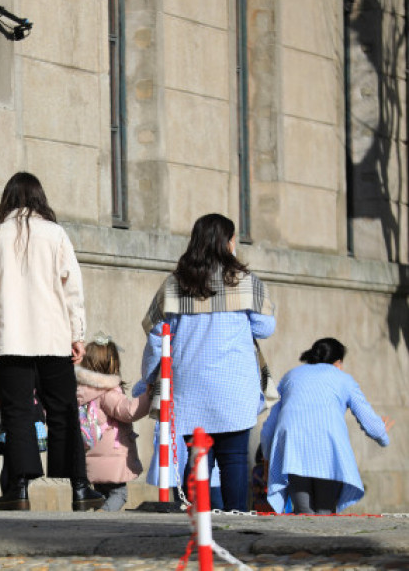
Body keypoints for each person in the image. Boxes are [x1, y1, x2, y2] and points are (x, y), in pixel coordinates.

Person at [0, 171, 104, 511]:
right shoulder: (55, 234)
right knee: (63, 409)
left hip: (9, 337)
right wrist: (78, 333)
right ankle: (76, 485)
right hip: (53, 336)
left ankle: (19, 488)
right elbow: (72, 288)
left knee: (17, 413)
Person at [139, 213, 275, 511]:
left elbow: (157, 335)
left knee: (197, 457)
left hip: (191, 388)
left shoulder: (175, 283)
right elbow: (266, 327)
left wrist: (149, 376)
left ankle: (197, 521)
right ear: (228, 243)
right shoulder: (245, 282)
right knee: (236, 459)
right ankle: (236, 520)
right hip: (234, 387)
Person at [260, 338, 393, 514]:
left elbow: (271, 425)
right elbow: (369, 421)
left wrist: (268, 456)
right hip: (328, 449)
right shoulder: (343, 379)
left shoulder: (291, 376)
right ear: (338, 363)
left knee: (303, 511)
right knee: (325, 512)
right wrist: (382, 435)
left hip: (293, 448)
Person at [75, 335, 150, 512]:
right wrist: (149, 396)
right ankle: (101, 518)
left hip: (91, 456)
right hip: (112, 458)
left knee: (100, 495)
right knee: (119, 495)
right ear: (112, 364)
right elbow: (128, 411)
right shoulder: (106, 392)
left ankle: (96, 517)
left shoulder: (81, 390)